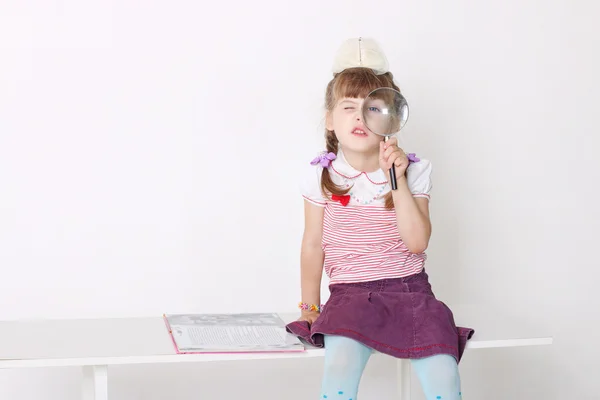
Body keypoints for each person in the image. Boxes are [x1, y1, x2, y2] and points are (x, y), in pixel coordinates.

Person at [286, 38, 475, 400]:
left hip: (411, 293)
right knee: (339, 369)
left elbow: (417, 242)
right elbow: (312, 245)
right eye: (348, 107)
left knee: (444, 377)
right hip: (349, 298)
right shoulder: (320, 176)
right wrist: (309, 308)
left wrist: (397, 178)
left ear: (390, 117)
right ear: (329, 119)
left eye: (372, 108)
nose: (359, 116)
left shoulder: (414, 171)